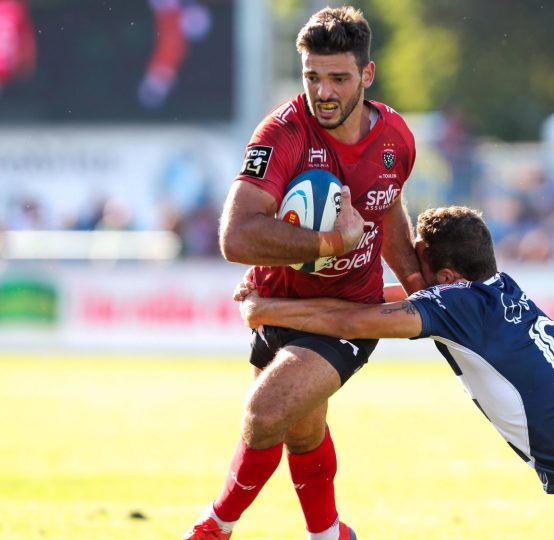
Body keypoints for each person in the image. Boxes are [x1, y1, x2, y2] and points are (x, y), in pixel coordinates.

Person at [237, 205, 554, 540]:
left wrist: (267, 312)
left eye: (418, 267)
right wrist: (281, 297)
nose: (412, 279)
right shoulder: (496, 287)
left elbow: (354, 321)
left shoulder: (457, 305)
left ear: (446, 278)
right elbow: (372, 302)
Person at [183, 6, 424, 540]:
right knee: (301, 431)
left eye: (339, 77)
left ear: (367, 75)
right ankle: (329, 534)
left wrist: (419, 286)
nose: (325, 92)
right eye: (312, 77)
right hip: (280, 306)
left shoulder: (397, 140)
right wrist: (329, 242)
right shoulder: (282, 134)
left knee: (266, 412)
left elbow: (388, 212)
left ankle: (213, 528)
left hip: (347, 315)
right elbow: (235, 236)